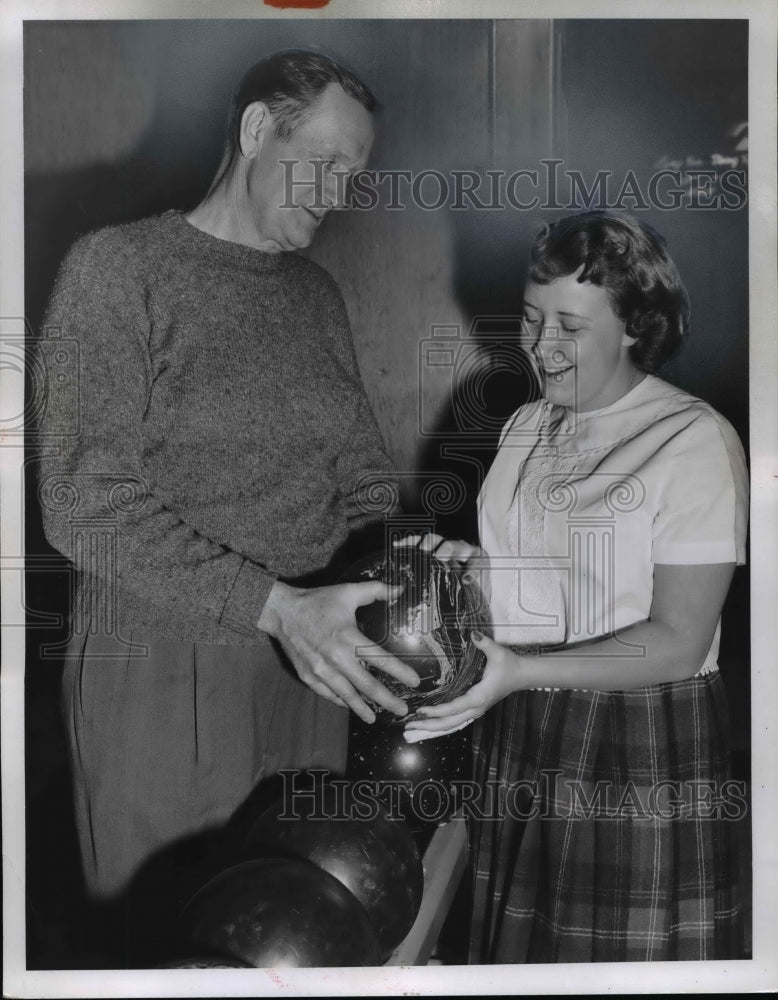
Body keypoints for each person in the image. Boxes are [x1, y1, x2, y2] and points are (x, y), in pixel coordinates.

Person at [35, 50, 418, 963]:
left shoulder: (314, 295)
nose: (336, 192)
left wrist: (420, 562)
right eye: (323, 161)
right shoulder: (118, 270)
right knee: (175, 944)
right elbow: (82, 503)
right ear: (256, 131)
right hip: (162, 669)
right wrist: (273, 607)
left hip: (309, 665)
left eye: (353, 177)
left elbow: (362, 472)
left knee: (296, 938)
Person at [402, 211, 748, 962]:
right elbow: (544, 588)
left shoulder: (693, 439)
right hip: (519, 718)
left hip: (636, 738)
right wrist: (462, 573)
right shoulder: (525, 426)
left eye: (570, 326)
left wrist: (521, 672)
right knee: (520, 953)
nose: (541, 347)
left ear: (633, 325)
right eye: (530, 320)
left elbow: (677, 642)